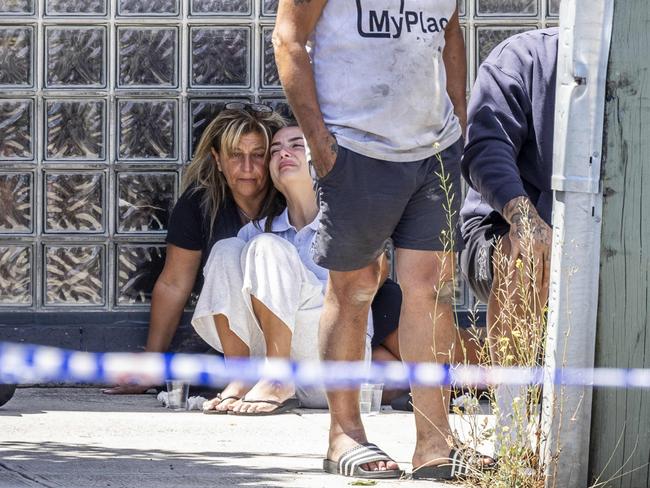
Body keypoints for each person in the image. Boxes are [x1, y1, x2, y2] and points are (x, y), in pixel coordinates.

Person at [273, 0, 493, 480]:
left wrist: (458, 112)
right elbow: (288, 39)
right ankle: (344, 436)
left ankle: (435, 443)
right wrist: (319, 142)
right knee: (353, 288)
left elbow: (450, 32)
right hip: (355, 146)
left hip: (433, 151)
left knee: (431, 292)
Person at [195, 125, 403, 414]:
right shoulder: (252, 234)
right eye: (275, 150)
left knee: (266, 246)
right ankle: (243, 376)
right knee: (226, 249)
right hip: (264, 371)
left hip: (331, 366)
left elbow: (366, 288)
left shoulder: (348, 226)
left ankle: (278, 378)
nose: (284, 153)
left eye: (295, 145)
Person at [103, 104, 287, 394]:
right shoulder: (199, 204)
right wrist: (153, 363)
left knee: (380, 378)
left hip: (293, 338)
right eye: (236, 155)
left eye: (258, 155)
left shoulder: (291, 196)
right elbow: (175, 283)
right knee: (189, 380)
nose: (248, 168)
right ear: (217, 159)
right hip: (234, 341)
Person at [459, 28, 558, 455]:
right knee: (523, 257)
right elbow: (483, 146)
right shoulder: (522, 57)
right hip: (506, 225)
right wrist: (523, 216)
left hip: (612, 241)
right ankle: (514, 439)